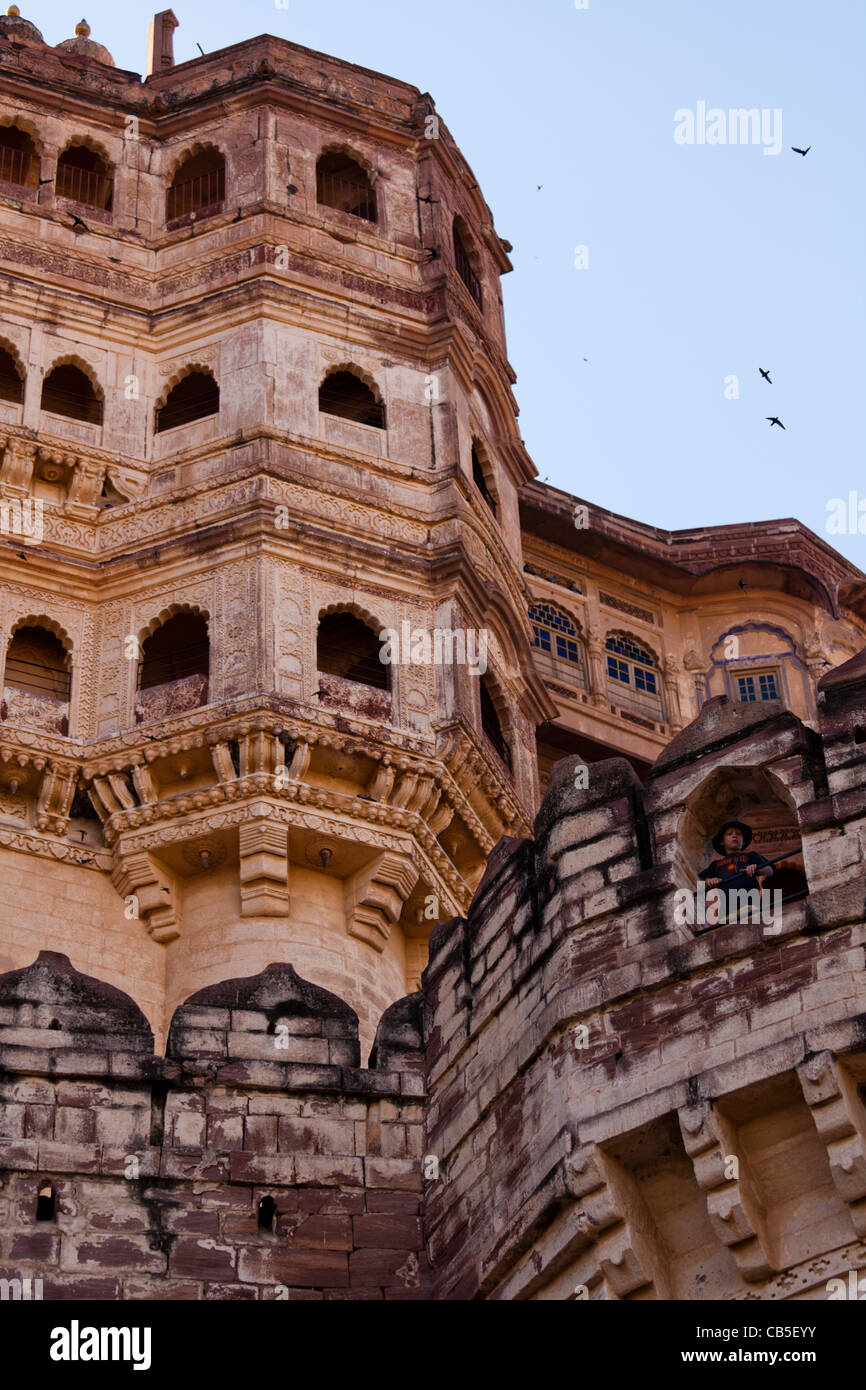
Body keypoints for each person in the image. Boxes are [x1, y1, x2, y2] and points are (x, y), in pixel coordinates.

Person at [698, 820, 773, 925]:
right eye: (729, 834)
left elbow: (769, 870)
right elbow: (701, 880)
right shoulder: (716, 864)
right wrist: (710, 881)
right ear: (722, 841)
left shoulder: (751, 856)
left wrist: (756, 868)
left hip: (750, 905)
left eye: (738, 834)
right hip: (727, 911)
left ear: (743, 841)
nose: (734, 836)